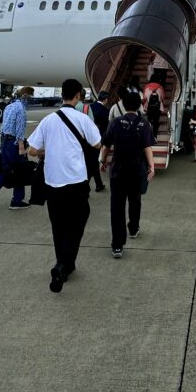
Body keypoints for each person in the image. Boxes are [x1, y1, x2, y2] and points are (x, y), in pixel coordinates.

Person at [27, 78, 102, 293]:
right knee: (78, 221)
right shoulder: (82, 119)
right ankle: (63, 265)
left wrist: (49, 150)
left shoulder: (48, 120)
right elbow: (97, 143)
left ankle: (65, 265)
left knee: (58, 226)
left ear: (62, 95)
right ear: (78, 96)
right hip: (77, 182)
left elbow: (32, 150)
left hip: (53, 182)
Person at [99, 92, 155, 258]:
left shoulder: (115, 122)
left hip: (118, 170)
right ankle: (133, 228)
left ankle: (117, 246)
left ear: (123, 105)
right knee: (135, 200)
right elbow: (147, 147)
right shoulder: (144, 124)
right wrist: (151, 167)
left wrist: (103, 161)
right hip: (137, 170)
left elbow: (106, 144)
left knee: (116, 207)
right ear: (139, 105)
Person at [86, 91, 111, 192]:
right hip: (98, 138)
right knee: (93, 162)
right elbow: (107, 127)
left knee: (91, 160)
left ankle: (98, 184)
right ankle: (89, 185)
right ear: (105, 99)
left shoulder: (89, 106)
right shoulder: (105, 110)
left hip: (87, 136)